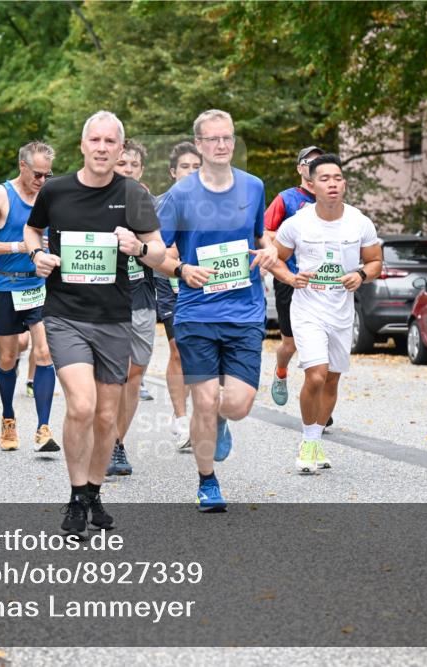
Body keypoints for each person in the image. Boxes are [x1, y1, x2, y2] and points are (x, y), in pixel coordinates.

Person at [24, 111, 165, 537]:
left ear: (121, 150)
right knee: (82, 406)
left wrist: (138, 245)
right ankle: (73, 495)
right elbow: (33, 232)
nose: (103, 148)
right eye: (95, 140)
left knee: (106, 417)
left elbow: (159, 254)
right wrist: (37, 256)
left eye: (111, 142)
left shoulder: (134, 195)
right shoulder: (57, 191)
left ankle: (93, 493)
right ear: (83, 146)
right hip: (66, 315)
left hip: (114, 319)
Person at [156, 109, 279, 512]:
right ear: (199, 144)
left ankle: (221, 421)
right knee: (205, 400)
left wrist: (270, 251)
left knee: (237, 405)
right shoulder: (180, 195)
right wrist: (181, 268)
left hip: (244, 311)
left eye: (227, 138)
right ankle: (207, 482)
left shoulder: (253, 186)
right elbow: (156, 252)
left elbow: (263, 238)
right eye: (213, 140)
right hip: (196, 312)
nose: (222, 145)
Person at [270, 154, 383, 473]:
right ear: (312, 184)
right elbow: (276, 259)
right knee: (316, 373)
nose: (332, 183)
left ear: (344, 183)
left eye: (338, 178)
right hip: (308, 308)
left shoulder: (360, 222)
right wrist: (290, 278)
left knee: (331, 380)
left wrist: (361, 275)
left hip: (341, 311)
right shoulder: (297, 223)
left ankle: (316, 438)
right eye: (325, 178)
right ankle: (307, 441)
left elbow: (375, 261)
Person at [0, 141, 60, 453]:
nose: (42, 181)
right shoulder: (0, 195)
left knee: (45, 352)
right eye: (37, 174)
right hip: (7, 286)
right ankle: (8, 417)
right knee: (8, 359)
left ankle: (44, 428)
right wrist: (17, 247)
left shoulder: (50, 195)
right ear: (22, 166)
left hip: (39, 286)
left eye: (48, 175)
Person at [107, 138, 158, 475]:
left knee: (134, 374)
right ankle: (106, 441)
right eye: (121, 164)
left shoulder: (148, 203)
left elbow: (163, 252)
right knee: (112, 374)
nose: (126, 170)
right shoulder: (91, 199)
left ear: (141, 170)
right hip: (102, 298)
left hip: (141, 295)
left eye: (133, 165)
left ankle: (116, 443)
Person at [264, 145, 321, 407]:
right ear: (300, 168)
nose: (315, 166)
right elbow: (264, 234)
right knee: (291, 343)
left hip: (321, 284)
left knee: (321, 344)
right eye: (309, 162)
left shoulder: (332, 200)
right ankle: (281, 373)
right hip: (290, 278)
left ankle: (317, 400)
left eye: (320, 162)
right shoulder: (286, 199)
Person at [154, 141, 201, 451]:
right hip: (168, 283)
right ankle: (181, 418)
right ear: (173, 172)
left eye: (197, 168)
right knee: (177, 350)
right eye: (185, 167)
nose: (191, 173)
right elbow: (158, 248)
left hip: (202, 285)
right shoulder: (162, 203)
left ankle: (199, 414)